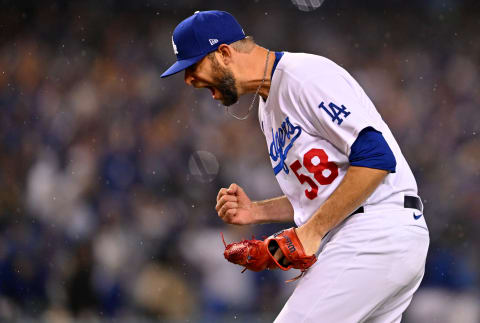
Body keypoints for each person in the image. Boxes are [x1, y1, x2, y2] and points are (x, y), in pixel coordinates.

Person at [161, 10, 429, 323]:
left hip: (373, 233)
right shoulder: (267, 107)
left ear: (223, 53)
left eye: (193, 65)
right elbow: (327, 190)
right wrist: (257, 211)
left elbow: (376, 158)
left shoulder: (304, 76)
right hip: (373, 239)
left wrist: (311, 231)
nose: (188, 79)